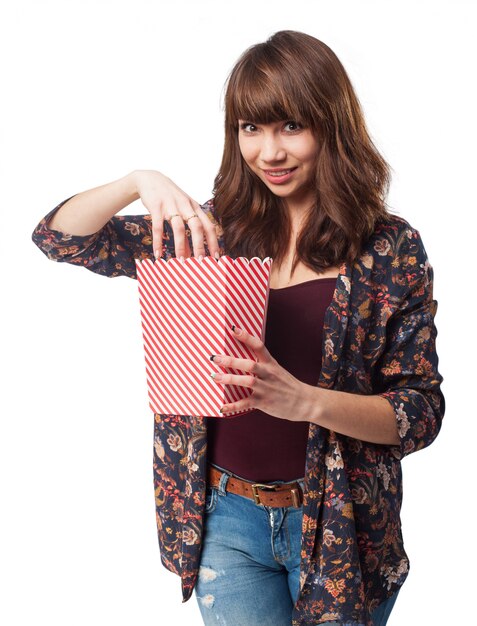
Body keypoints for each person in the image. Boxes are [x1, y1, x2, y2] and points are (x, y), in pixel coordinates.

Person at [31, 30, 445, 626]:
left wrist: (305, 402)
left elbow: (421, 411)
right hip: (224, 519)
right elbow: (59, 238)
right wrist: (138, 180)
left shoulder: (388, 247)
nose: (269, 152)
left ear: (332, 126)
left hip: (340, 524)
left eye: (290, 127)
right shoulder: (210, 233)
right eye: (251, 129)